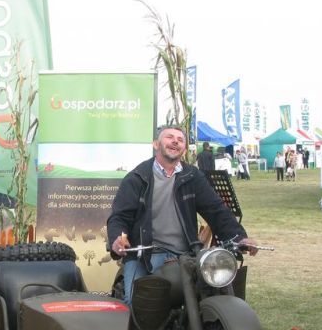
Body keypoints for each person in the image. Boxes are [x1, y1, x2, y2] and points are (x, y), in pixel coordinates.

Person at [107, 126, 257, 305]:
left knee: (212, 294)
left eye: (180, 139)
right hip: (146, 255)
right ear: (156, 144)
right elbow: (119, 217)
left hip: (186, 255)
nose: (175, 141)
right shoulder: (137, 177)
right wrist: (117, 239)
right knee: (137, 305)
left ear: (184, 148)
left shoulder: (192, 176)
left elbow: (216, 210)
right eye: (169, 137)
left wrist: (240, 238)